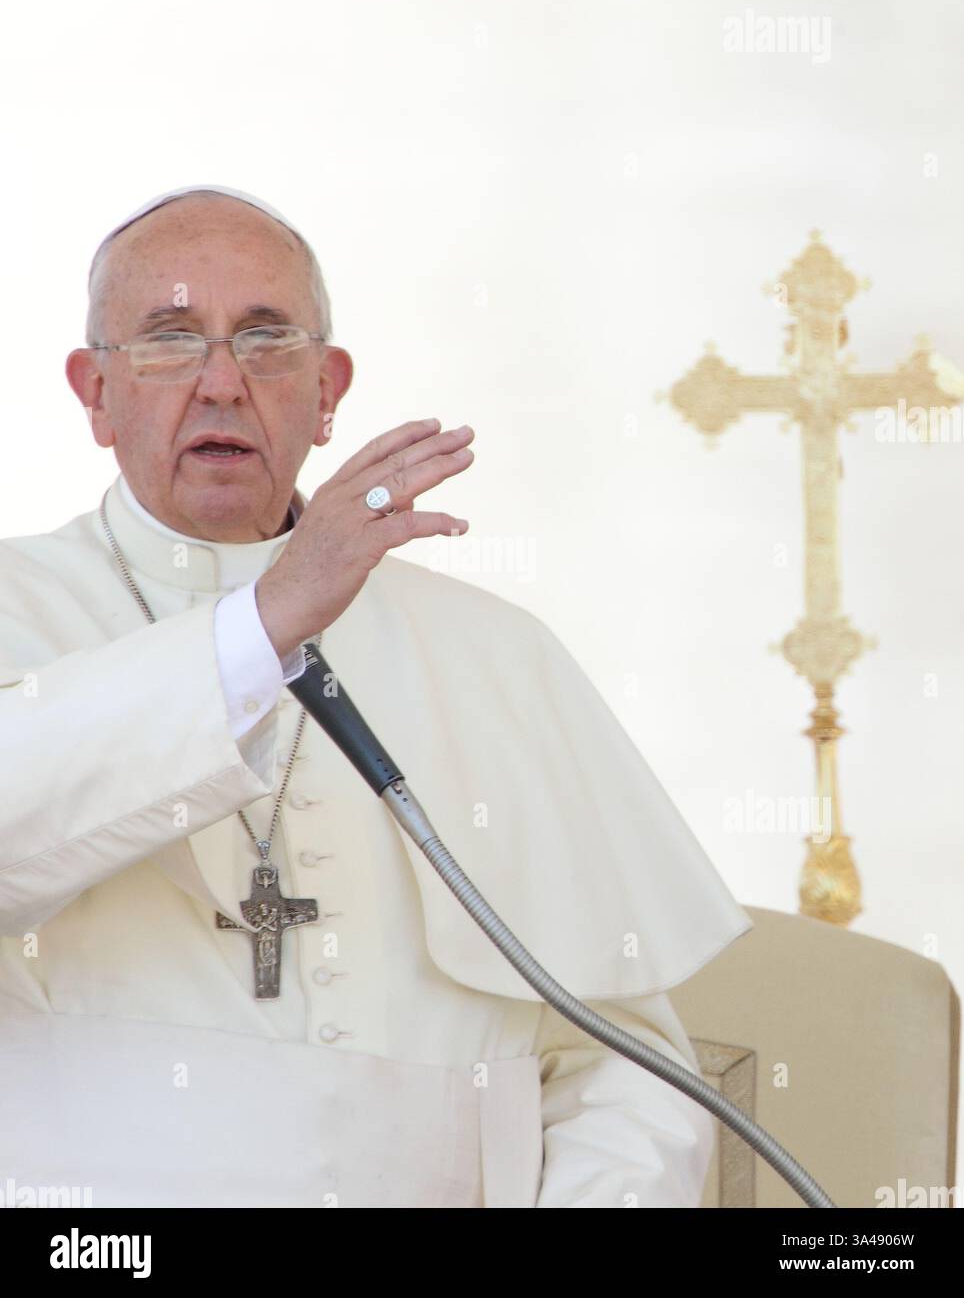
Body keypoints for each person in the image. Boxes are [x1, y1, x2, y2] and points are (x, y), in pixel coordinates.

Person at [0, 185, 752, 1208]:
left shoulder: (496, 657)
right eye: (170, 339)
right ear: (93, 392)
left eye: (266, 338)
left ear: (327, 390)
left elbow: (624, 1066)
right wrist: (265, 624)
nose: (222, 381)